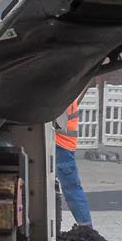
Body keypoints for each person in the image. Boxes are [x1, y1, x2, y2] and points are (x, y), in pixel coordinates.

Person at [54, 94, 92, 230]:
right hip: (64, 145)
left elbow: (55, 122)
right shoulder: (67, 91)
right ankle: (85, 225)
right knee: (71, 186)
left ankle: (85, 226)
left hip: (59, 144)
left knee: (71, 187)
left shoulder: (61, 95)